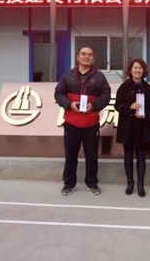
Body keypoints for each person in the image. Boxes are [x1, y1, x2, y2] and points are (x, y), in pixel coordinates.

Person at [54, 46, 111, 196]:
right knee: (70, 155)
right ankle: (68, 184)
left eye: (90, 55)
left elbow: (106, 95)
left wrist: (95, 106)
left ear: (93, 58)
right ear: (78, 57)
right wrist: (69, 104)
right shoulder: (68, 76)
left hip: (91, 124)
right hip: (71, 123)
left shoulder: (99, 77)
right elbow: (58, 93)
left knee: (92, 155)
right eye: (83, 54)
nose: (86, 57)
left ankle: (92, 183)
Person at [114, 58, 150, 197]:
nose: (138, 70)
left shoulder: (148, 87)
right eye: (135, 68)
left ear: (143, 70)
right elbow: (117, 105)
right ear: (130, 70)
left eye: (140, 68)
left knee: (141, 155)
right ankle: (130, 183)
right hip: (128, 125)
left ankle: (141, 184)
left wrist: (146, 114)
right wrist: (129, 107)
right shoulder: (124, 87)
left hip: (143, 126)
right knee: (128, 154)